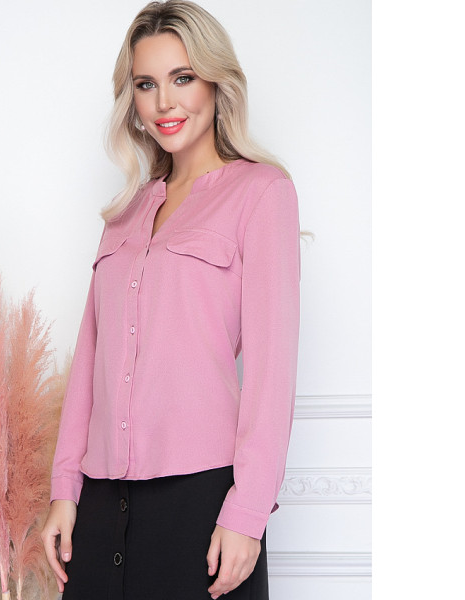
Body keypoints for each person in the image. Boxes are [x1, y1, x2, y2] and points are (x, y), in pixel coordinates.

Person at [41, 1, 302, 598]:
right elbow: (90, 361)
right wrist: (64, 490)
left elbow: (272, 372)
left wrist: (247, 513)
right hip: (99, 503)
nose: (164, 102)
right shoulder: (125, 212)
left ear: (215, 81)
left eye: (182, 78)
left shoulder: (262, 193)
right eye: (146, 84)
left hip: (202, 502)